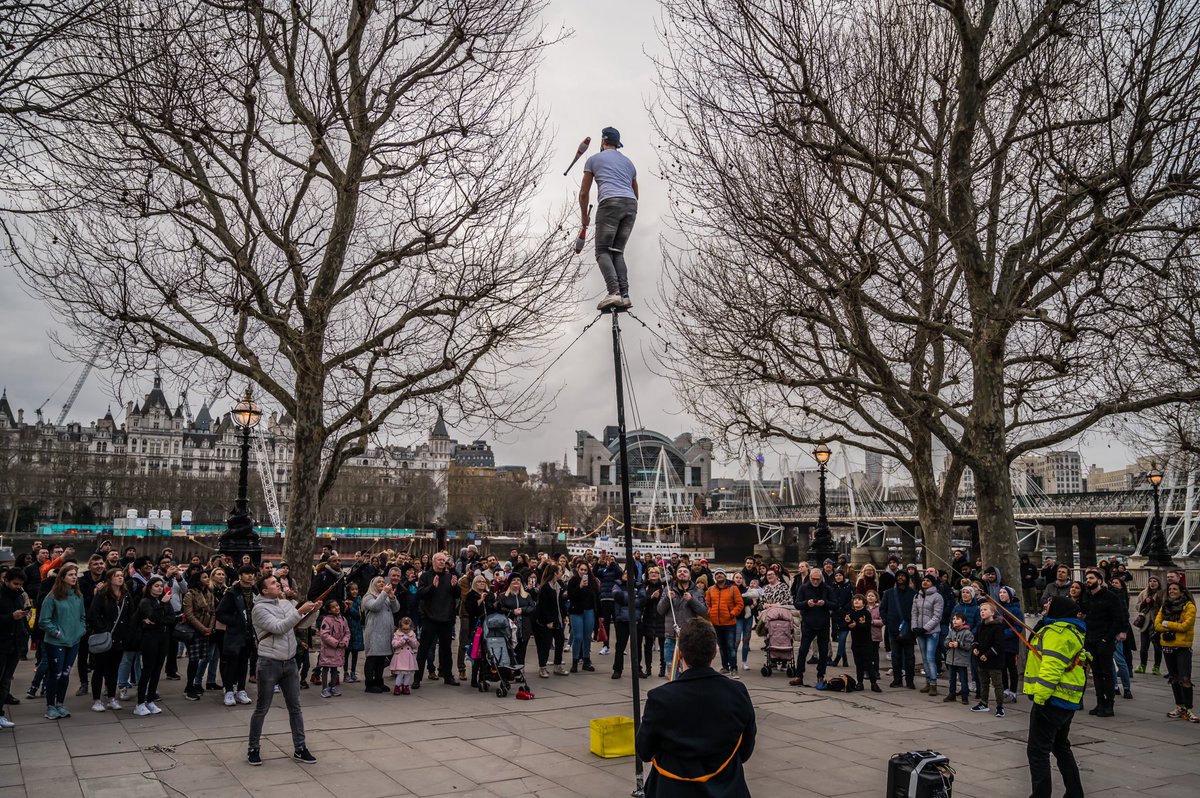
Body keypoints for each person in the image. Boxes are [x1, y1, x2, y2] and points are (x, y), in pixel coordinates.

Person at [635, 617, 756, 798]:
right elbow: (745, 751)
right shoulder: (737, 692)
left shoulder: (660, 698)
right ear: (715, 652)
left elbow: (644, 751)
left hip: (673, 789)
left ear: (680, 654)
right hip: (727, 788)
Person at [246, 574, 319, 766]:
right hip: (269, 662)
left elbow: (301, 625)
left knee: (295, 707)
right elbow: (279, 628)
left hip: (290, 662)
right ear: (264, 590)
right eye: (273, 583)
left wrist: (313, 612)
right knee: (262, 707)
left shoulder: (286, 604)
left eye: (277, 581)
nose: (278, 584)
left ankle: (300, 747)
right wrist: (299, 611)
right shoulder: (259, 609)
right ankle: (253, 748)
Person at [1024, 596, 1087, 798]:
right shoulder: (1069, 630)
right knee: (1060, 746)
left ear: (1057, 609)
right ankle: (1075, 793)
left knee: (1037, 752)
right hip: (1066, 700)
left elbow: (1051, 669)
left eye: (1049, 604)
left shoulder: (1056, 633)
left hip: (1052, 700)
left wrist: (1040, 700)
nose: (1044, 605)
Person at [579, 126, 639, 311]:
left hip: (609, 203)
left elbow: (583, 193)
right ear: (617, 143)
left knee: (602, 251)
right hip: (631, 206)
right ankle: (625, 295)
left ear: (603, 141)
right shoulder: (629, 163)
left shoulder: (593, 160)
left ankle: (614, 292)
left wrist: (584, 217)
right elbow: (636, 192)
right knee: (617, 252)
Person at [38, 563, 87, 720]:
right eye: (70, 574)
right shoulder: (52, 597)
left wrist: (81, 629)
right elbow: (43, 621)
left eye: (75, 574)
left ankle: (60, 703)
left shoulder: (78, 596)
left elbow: (82, 616)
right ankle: (50, 706)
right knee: (56, 673)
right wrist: (57, 633)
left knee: (65, 674)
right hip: (56, 642)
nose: (74, 577)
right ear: (62, 578)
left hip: (74, 641)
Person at [413, 552, 460, 689]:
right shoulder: (426, 576)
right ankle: (417, 678)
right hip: (430, 618)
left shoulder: (450, 576)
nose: (441, 562)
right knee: (423, 649)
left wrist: (454, 586)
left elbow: (457, 595)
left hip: (446, 619)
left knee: (446, 651)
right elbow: (420, 594)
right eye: (439, 560)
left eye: (443, 560)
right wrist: (432, 587)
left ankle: (448, 676)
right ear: (433, 562)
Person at [1082, 568, 1123, 717]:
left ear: (1099, 581)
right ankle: (1100, 702)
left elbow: (1118, 619)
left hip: (1104, 640)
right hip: (1091, 640)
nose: (1088, 581)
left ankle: (1109, 704)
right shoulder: (1087, 597)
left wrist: (1107, 638)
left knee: (1107, 672)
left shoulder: (1110, 597)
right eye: (1087, 578)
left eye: (1091, 578)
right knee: (1097, 672)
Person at [132, 576, 176, 716]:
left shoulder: (164, 600)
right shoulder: (146, 601)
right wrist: (160, 607)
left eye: (160, 586)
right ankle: (140, 703)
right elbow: (152, 617)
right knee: (148, 670)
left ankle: (150, 700)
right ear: (150, 587)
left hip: (163, 638)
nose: (159, 588)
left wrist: (157, 619)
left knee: (157, 670)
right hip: (149, 639)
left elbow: (171, 618)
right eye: (156, 586)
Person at [215, 564, 257, 706]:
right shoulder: (232, 592)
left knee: (244, 662)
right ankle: (228, 691)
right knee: (231, 663)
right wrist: (235, 622)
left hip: (249, 634)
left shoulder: (255, 591)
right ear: (240, 576)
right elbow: (220, 613)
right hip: (235, 633)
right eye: (246, 573)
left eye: (252, 573)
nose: (250, 576)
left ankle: (241, 690)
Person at [1155, 581, 1196, 722]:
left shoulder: (1189, 606)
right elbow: (1157, 625)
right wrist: (1174, 624)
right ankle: (1179, 706)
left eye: (1175, 589)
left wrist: (1167, 624)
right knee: (1173, 677)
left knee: (1185, 678)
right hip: (1167, 645)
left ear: (1182, 591)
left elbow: (1185, 626)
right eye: (1170, 589)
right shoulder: (1165, 606)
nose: (1172, 591)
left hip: (1183, 646)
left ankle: (1189, 709)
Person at [657, 565, 708, 680]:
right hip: (671, 636)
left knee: (688, 668)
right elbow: (660, 610)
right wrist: (667, 599)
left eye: (685, 571)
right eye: (679, 571)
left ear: (690, 576)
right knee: (671, 667)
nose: (682, 573)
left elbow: (704, 611)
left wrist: (691, 600)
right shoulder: (668, 589)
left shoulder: (697, 591)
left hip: (689, 636)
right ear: (676, 575)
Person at [790, 568, 832, 688]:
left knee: (823, 651)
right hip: (808, 623)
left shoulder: (826, 588)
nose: (815, 581)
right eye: (813, 579)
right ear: (810, 578)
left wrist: (825, 603)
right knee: (803, 650)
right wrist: (806, 603)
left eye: (817, 579)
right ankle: (799, 675)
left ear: (821, 578)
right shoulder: (804, 588)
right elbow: (797, 603)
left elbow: (835, 604)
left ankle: (821, 675)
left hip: (823, 624)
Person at [0, 569, 30, 728]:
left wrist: (25, 632)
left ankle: (0, 714)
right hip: (2, 644)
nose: (18, 587)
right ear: (6, 581)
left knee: (5, 682)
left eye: (20, 584)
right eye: (15, 584)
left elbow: (20, 620)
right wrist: (11, 617)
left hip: (15, 644)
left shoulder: (19, 596)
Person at [361, 575, 401, 694]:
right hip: (374, 633)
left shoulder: (386, 596)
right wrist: (384, 593)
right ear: (373, 584)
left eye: (383, 582)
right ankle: (369, 684)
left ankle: (379, 681)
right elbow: (375, 606)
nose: (382, 583)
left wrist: (393, 598)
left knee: (381, 658)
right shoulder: (368, 597)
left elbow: (396, 609)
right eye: (379, 582)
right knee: (372, 658)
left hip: (386, 633)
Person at [970, 602, 1006, 717]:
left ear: (992, 612)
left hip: (994, 662)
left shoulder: (997, 627)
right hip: (981, 661)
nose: (982, 612)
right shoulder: (981, 626)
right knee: (983, 683)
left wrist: (988, 654)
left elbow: (999, 645)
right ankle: (983, 703)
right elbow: (976, 640)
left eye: (985, 610)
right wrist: (975, 647)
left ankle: (1000, 707)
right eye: (981, 610)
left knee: (997, 685)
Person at [704, 568, 744, 676]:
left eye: (721, 573)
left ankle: (734, 668)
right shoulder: (710, 590)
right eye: (717, 574)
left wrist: (732, 613)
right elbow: (706, 604)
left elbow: (740, 604)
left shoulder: (733, 589)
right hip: (716, 623)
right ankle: (725, 667)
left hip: (730, 623)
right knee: (721, 646)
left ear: (725, 576)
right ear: (715, 577)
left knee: (731, 646)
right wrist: (710, 613)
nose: (719, 575)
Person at [881, 571, 916, 688]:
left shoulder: (913, 594)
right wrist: (887, 621)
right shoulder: (889, 593)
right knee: (895, 656)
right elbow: (883, 609)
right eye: (898, 576)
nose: (900, 578)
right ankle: (897, 679)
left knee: (910, 657)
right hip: (893, 629)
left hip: (908, 630)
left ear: (907, 578)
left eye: (903, 576)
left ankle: (910, 680)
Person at [911, 572, 944, 696]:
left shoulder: (937, 597)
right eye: (924, 580)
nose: (925, 582)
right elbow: (914, 613)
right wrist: (914, 627)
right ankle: (928, 682)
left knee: (930, 657)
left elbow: (937, 616)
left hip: (932, 632)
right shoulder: (917, 596)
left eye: (928, 580)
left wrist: (925, 628)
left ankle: (934, 683)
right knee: (924, 658)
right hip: (920, 631)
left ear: (932, 583)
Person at [532, 564, 567, 678]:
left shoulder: (559, 586)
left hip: (559, 620)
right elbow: (543, 606)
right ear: (555, 573)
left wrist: (565, 615)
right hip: (547, 621)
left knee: (560, 642)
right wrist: (548, 620)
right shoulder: (545, 587)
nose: (561, 573)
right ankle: (542, 667)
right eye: (560, 571)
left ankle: (558, 665)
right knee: (546, 644)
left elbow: (561, 603)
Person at [567, 562, 600, 672]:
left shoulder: (592, 581)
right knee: (578, 637)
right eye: (581, 569)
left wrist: (600, 614)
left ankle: (586, 660)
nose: (583, 572)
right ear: (577, 569)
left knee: (587, 637)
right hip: (576, 611)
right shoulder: (573, 581)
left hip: (589, 611)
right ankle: (575, 661)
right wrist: (580, 586)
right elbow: (571, 596)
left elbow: (596, 596)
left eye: (585, 570)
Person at [317, 599, 348, 698]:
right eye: (333, 607)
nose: (337, 608)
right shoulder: (326, 620)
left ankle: (333, 687)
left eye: (337, 605)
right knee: (326, 668)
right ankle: (324, 689)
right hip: (328, 649)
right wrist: (336, 643)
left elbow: (347, 632)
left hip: (338, 649)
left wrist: (344, 642)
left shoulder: (343, 619)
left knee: (335, 669)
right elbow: (324, 634)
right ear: (329, 610)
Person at [1134, 575, 1164, 675]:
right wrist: (1143, 603)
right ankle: (1142, 666)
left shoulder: (1162, 593)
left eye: (1155, 581)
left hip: (1156, 623)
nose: (1152, 583)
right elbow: (1137, 606)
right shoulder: (1143, 593)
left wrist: (1154, 602)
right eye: (1150, 581)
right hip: (1145, 623)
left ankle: (1156, 667)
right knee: (1143, 647)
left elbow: (1165, 607)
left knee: (1157, 647)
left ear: (1158, 583)